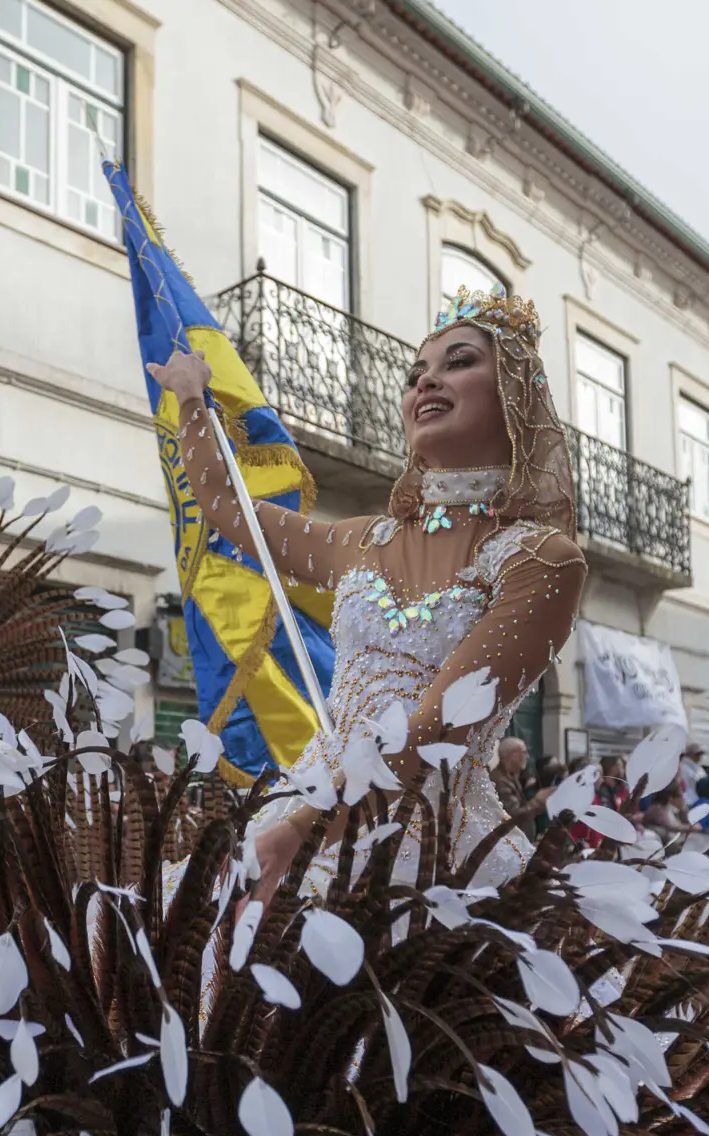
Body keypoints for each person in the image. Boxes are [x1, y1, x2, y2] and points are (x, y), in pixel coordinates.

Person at [148, 284, 586, 899]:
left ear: (514, 393)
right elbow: (227, 506)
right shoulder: (364, 540)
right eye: (416, 374)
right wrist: (193, 400)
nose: (426, 382)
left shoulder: (541, 560)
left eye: (459, 362)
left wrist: (301, 832)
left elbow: (436, 726)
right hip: (303, 808)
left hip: (433, 852)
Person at [491, 736, 533, 840]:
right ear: (512, 754)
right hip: (510, 841)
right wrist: (537, 803)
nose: (527, 756)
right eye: (524, 752)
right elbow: (513, 814)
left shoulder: (511, 776)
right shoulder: (499, 780)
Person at [679, 741, 706, 808]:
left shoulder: (700, 769)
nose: (700, 756)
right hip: (688, 802)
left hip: (699, 801)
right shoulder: (683, 768)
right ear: (689, 754)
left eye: (701, 754)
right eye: (697, 754)